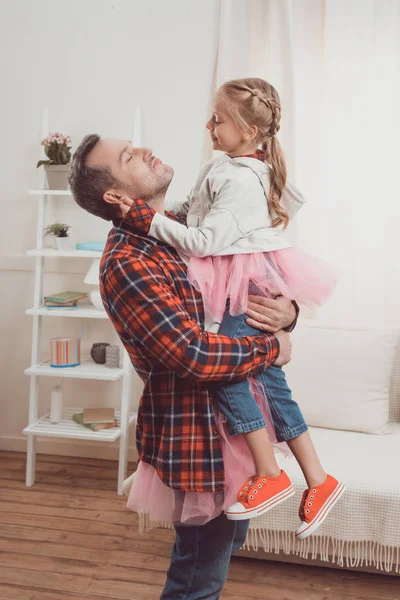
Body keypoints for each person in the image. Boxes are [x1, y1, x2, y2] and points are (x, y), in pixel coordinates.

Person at [115, 78, 345, 540]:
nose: (209, 126)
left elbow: (204, 239)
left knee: (228, 371)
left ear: (247, 129)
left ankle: (272, 472)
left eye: (218, 120)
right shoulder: (233, 168)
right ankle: (319, 479)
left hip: (234, 280)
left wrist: (143, 217)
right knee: (270, 381)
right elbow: (196, 213)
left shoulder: (237, 176)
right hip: (243, 275)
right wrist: (159, 216)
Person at [68, 134, 296, 599]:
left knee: (224, 547)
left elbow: (249, 290)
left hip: (235, 424)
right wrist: (274, 349)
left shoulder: (184, 228)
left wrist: (287, 313)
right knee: (197, 576)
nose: (146, 150)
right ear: (116, 196)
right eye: (130, 157)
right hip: (197, 437)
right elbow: (192, 354)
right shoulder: (127, 262)